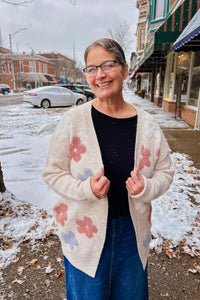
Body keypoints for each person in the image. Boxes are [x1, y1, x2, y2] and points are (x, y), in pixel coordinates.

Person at [42, 38, 174, 300]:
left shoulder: (147, 125)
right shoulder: (73, 120)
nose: (99, 74)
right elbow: (52, 172)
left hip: (132, 234)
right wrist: (85, 189)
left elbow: (166, 172)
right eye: (91, 68)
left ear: (125, 71)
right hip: (83, 232)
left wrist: (146, 188)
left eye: (107, 65)